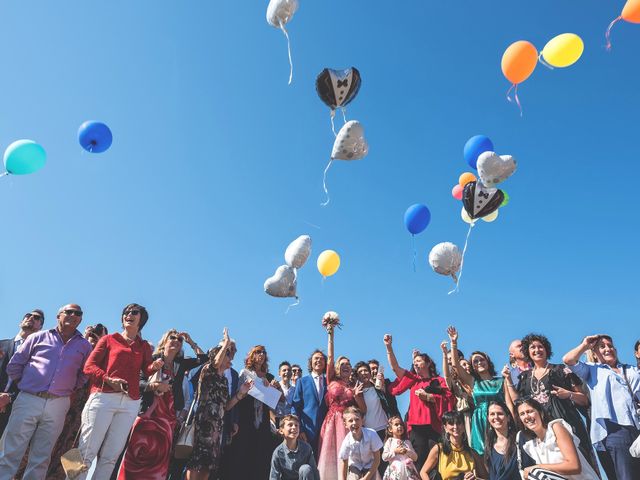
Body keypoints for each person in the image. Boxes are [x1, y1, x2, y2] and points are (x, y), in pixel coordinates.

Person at [0, 304, 92, 479]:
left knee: (42, 456)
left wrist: (69, 388)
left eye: (78, 313)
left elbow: (84, 374)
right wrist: (26, 383)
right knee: (11, 450)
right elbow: (14, 365)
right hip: (29, 398)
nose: (73, 315)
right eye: (69, 312)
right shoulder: (38, 337)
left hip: (60, 403)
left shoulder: (85, 346)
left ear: (81, 319)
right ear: (58, 316)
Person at [76, 303, 163, 480]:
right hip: (102, 398)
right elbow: (89, 367)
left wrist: (154, 366)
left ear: (141, 320)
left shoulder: (144, 346)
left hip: (129, 403)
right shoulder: (108, 339)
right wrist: (108, 379)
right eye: (126, 312)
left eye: (134, 312)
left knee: (110, 457)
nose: (128, 314)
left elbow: (146, 370)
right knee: (85, 451)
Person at [118, 329, 205, 478]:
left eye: (180, 340)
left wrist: (190, 341)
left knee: (158, 461)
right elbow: (137, 382)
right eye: (173, 338)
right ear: (164, 341)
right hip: (148, 415)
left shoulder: (181, 364)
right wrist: (154, 386)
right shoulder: (151, 359)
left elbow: (203, 358)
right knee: (136, 457)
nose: (177, 341)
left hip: (168, 420)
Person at [506, 334, 596, 470]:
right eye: (532, 347)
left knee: (582, 466)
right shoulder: (524, 377)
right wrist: (508, 380)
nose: (537, 350)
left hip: (569, 425)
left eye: (540, 347)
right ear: (527, 352)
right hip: (543, 432)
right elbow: (517, 402)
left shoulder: (561, 370)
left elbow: (584, 400)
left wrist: (568, 394)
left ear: (546, 350)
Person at [563, 334, 640, 480]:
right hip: (615, 429)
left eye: (610, 346)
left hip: (637, 426)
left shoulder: (630, 369)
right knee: (626, 475)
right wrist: (585, 345)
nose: (607, 349)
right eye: (602, 346)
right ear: (594, 352)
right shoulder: (592, 369)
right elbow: (568, 360)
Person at [41, 324, 107, 480]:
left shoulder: (101, 360)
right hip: (58, 405)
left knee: (72, 452)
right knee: (42, 447)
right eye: (90, 331)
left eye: (99, 334)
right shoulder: (73, 350)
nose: (93, 334)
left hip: (80, 416)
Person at [185, 329, 251, 480]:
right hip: (203, 425)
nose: (230, 357)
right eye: (226, 354)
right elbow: (215, 364)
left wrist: (240, 394)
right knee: (196, 463)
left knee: (208, 465)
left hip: (217, 428)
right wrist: (226, 342)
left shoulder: (224, 380)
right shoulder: (208, 371)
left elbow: (226, 406)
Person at [384, 334, 454, 471]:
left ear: (428, 363)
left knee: (436, 462)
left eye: (419, 361)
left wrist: (429, 397)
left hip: (435, 427)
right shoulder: (413, 380)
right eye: (414, 362)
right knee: (418, 461)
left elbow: (449, 398)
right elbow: (395, 367)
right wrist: (388, 347)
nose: (415, 363)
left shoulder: (438, 380)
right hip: (416, 427)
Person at [318, 316, 366, 480]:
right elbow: (330, 358)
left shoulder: (354, 386)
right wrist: (330, 335)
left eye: (349, 364)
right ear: (338, 368)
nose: (346, 365)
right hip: (332, 422)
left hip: (347, 424)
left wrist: (358, 396)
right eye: (343, 364)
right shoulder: (332, 379)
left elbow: (363, 410)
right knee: (329, 460)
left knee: (348, 460)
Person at [448, 326, 504, 455]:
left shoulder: (501, 381)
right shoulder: (473, 382)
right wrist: (454, 343)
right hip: (479, 420)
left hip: (498, 417)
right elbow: (456, 365)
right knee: (481, 453)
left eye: (481, 359)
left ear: (488, 362)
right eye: (475, 361)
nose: (479, 362)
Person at [515, 397, 599, 480]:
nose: (527, 416)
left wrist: (538, 467)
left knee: (534, 472)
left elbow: (574, 466)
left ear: (540, 412)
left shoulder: (555, 428)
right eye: (522, 414)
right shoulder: (532, 446)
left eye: (529, 411)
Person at [233, 344, 280, 479]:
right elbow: (238, 394)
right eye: (258, 352)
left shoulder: (269, 376)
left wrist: (273, 388)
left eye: (263, 352)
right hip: (246, 419)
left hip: (263, 422)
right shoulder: (244, 373)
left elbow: (274, 403)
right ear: (251, 355)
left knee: (261, 458)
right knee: (243, 456)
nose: (261, 354)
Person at [0, 309, 45, 437]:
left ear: (40, 327)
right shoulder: (1, 345)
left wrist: (8, 398)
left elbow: (34, 383)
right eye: (28, 315)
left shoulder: (40, 356)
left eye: (36, 317)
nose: (31, 317)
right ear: (21, 321)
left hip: (15, 411)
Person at [419, 410, 486, 480]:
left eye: (458, 423)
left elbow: (485, 477)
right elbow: (423, 472)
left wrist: (474, 478)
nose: (455, 426)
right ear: (445, 428)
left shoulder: (473, 453)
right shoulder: (439, 449)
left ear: (463, 426)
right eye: (451, 423)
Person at [354, 361, 392, 476]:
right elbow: (363, 410)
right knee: (372, 465)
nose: (363, 373)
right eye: (360, 372)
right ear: (357, 376)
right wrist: (357, 397)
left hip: (384, 429)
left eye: (365, 370)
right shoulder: (357, 391)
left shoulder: (378, 387)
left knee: (386, 463)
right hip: (369, 432)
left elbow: (388, 403)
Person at [291, 349, 329, 457]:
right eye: (316, 358)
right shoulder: (302, 382)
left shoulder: (329, 382)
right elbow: (295, 407)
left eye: (321, 359)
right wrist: (300, 429)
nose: (319, 360)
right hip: (307, 432)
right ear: (310, 362)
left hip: (326, 431)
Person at [440, 341, 474, 442]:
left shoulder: (474, 379)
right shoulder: (454, 381)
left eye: (452, 359)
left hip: (475, 412)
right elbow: (446, 375)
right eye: (448, 359)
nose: (450, 362)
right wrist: (444, 355)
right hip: (461, 414)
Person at [270, 414, 321, 480]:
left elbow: (315, 472)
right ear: (281, 430)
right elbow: (274, 477)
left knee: (305, 469)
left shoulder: (306, 448)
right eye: (290, 425)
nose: (294, 427)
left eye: (296, 425)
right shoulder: (278, 453)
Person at [339, 406, 383, 480]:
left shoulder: (371, 434)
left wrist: (366, 478)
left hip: (370, 464)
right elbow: (344, 462)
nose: (354, 423)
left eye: (357, 419)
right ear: (345, 424)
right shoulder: (347, 441)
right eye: (350, 421)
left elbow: (377, 459)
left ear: (362, 421)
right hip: (355, 465)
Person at [483, 401, 519, 480]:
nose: (496, 417)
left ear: (508, 418)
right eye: (492, 414)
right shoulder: (489, 447)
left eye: (500, 413)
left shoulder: (519, 440)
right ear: (488, 419)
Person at [381, 415, 420, 480]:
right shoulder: (389, 441)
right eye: (396, 424)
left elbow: (415, 458)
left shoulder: (407, 442)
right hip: (396, 472)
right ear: (390, 429)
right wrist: (395, 452)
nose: (399, 426)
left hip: (408, 472)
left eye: (401, 424)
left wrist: (407, 451)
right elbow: (384, 457)